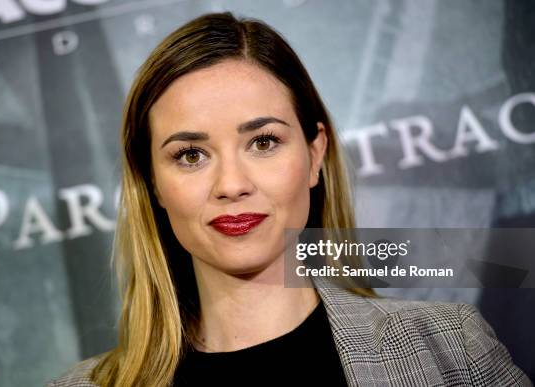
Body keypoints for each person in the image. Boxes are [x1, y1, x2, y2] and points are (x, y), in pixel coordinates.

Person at [46, 12, 532, 387]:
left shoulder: (448, 349)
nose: (231, 184)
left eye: (263, 142)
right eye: (191, 154)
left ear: (315, 153)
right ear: (152, 183)